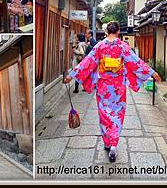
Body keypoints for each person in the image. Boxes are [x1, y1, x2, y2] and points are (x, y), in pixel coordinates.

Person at [63, 21, 161, 163]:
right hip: (118, 87)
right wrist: (152, 73)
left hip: (103, 87)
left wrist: (71, 76)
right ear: (118, 32)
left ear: (107, 32)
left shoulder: (100, 46)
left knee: (104, 114)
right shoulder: (122, 46)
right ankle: (114, 144)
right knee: (117, 114)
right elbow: (135, 62)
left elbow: (87, 63)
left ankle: (108, 142)